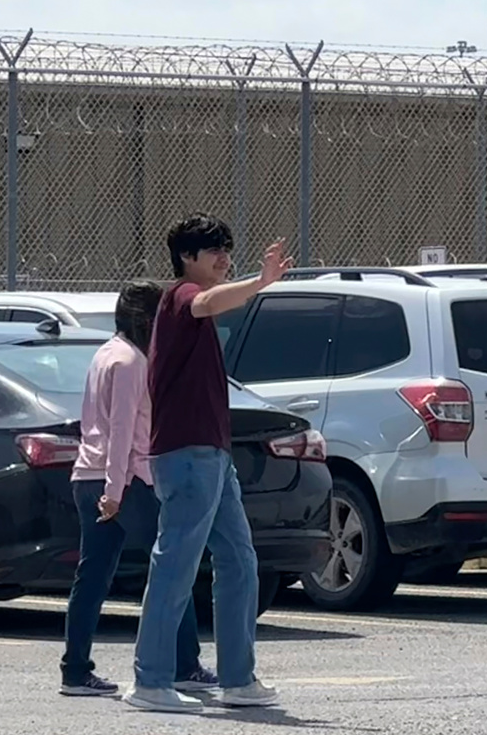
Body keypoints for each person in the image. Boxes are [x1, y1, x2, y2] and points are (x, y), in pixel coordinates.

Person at [124, 213, 293, 713]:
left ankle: (238, 680)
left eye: (227, 248)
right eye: (213, 250)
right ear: (187, 259)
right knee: (175, 564)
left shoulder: (193, 311)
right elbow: (208, 301)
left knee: (240, 561)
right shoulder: (179, 298)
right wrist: (260, 283)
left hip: (214, 457)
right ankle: (151, 681)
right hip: (189, 456)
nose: (224, 257)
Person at [60, 281, 217, 698]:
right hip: (123, 481)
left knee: (92, 577)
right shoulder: (130, 362)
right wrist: (114, 492)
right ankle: (185, 664)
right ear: (146, 320)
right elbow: (122, 432)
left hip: (89, 475)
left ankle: (75, 670)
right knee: (172, 564)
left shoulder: (105, 353)